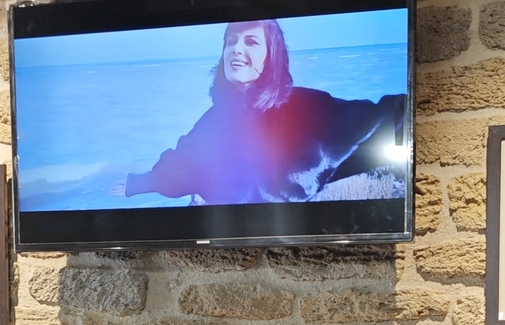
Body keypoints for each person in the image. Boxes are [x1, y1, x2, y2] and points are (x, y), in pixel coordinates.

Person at [120, 19, 407, 205]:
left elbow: (379, 119)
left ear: (272, 55)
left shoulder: (306, 105)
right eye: (230, 41)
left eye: (251, 42)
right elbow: (179, 169)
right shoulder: (214, 119)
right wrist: (133, 184)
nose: (236, 49)